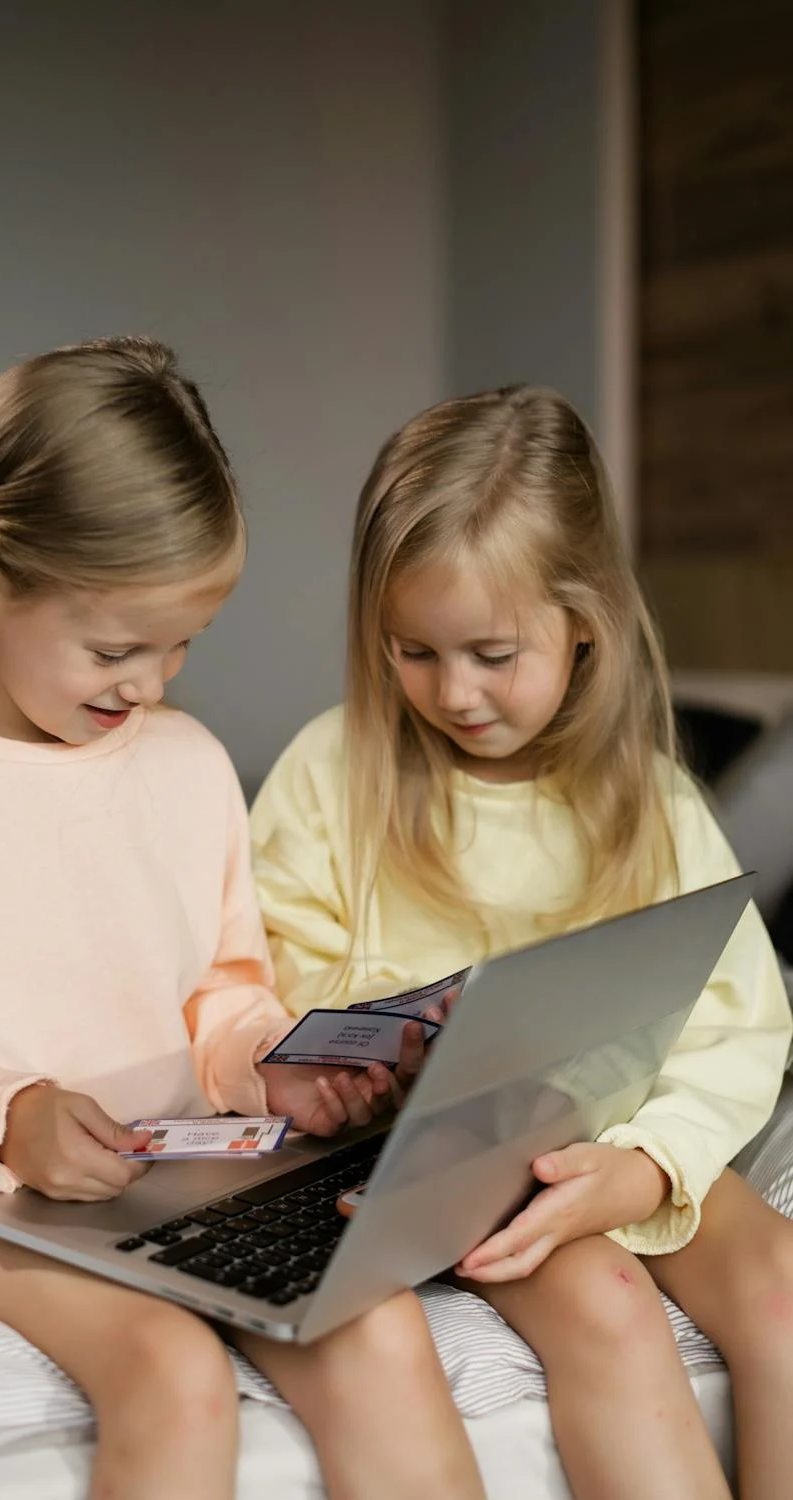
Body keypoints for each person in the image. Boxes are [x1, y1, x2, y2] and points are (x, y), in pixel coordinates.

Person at [0, 338, 486, 1500]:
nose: (152, 686)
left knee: (377, 1330)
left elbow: (217, 991)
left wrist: (267, 1068)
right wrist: (0, 1116)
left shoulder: (187, 766)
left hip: (181, 1174)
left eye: (182, 646)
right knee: (169, 1370)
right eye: (116, 649)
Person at [251, 384, 793, 1500]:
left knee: (783, 1292)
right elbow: (275, 980)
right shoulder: (331, 773)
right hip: (444, 1156)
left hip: (629, 1142)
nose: (454, 693)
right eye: (413, 652)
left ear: (581, 620)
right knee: (603, 1304)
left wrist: (646, 1165)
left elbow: (738, 1024)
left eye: (493, 654)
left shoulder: (645, 801)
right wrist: (373, 1054)